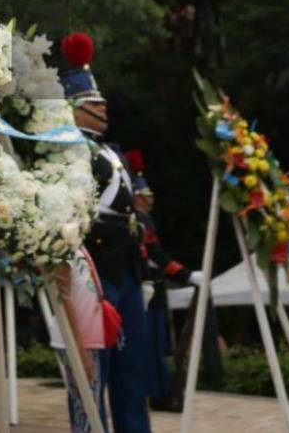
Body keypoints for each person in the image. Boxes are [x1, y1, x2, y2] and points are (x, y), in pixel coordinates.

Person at [60, 32, 152, 433]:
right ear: (75, 109)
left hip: (127, 267)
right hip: (92, 267)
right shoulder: (64, 150)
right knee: (92, 370)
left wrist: (145, 271)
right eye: (94, 103)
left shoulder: (114, 152)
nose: (103, 107)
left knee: (133, 373)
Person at [126, 152, 199, 411]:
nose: (152, 199)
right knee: (150, 345)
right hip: (147, 286)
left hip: (153, 287)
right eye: (147, 195)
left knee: (156, 345)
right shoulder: (140, 219)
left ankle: (158, 390)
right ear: (138, 197)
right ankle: (156, 392)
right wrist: (185, 274)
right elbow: (156, 255)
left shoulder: (145, 219)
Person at [47, 247, 109, 432]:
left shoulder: (80, 248)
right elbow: (65, 300)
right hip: (78, 341)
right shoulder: (62, 250)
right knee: (85, 408)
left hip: (87, 339)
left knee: (88, 405)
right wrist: (79, 350)